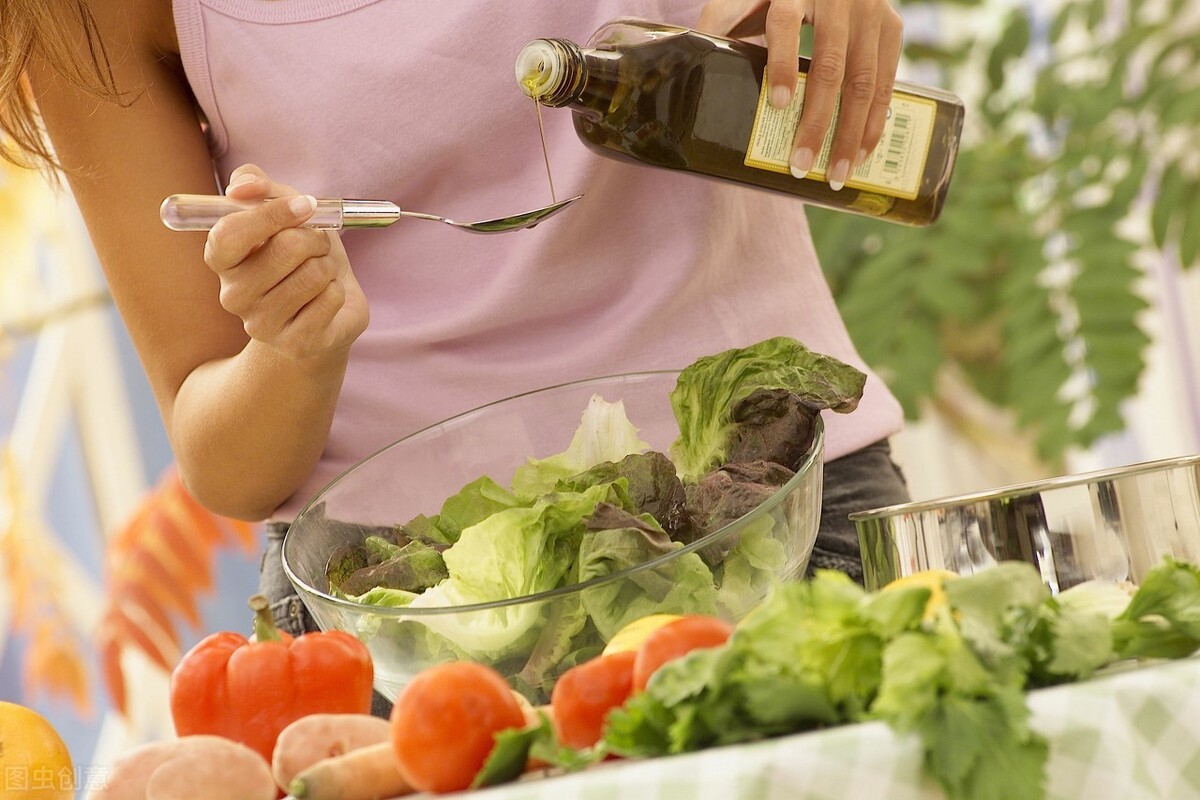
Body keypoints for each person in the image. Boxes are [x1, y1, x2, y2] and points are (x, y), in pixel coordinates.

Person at [4, 1, 910, 642]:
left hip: (779, 525)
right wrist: (292, 351)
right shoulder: (78, 16)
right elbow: (223, 459)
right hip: (408, 616)